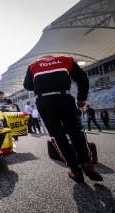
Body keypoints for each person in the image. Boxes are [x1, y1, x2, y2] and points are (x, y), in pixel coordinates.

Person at [24, 55, 103, 183]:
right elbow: (83, 79)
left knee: (57, 136)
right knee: (76, 132)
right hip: (65, 98)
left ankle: (75, 169)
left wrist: (43, 83)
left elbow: (27, 85)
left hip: (44, 101)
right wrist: (81, 98)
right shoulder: (66, 60)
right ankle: (86, 162)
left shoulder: (33, 65)